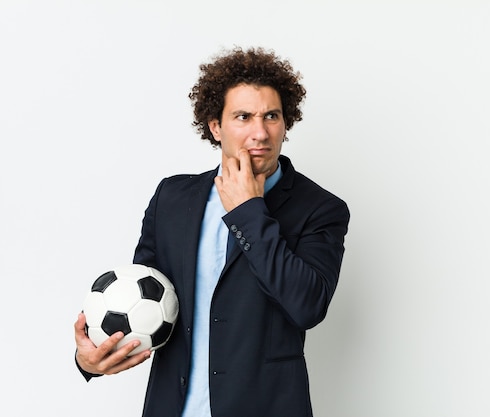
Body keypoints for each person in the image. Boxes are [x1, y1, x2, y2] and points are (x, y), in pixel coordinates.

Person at [73, 46, 350, 417]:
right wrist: (90, 357)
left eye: (272, 116)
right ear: (216, 127)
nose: (260, 132)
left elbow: (307, 307)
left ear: (286, 123)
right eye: (243, 117)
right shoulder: (172, 198)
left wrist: (249, 211)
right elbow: (139, 302)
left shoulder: (320, 209)